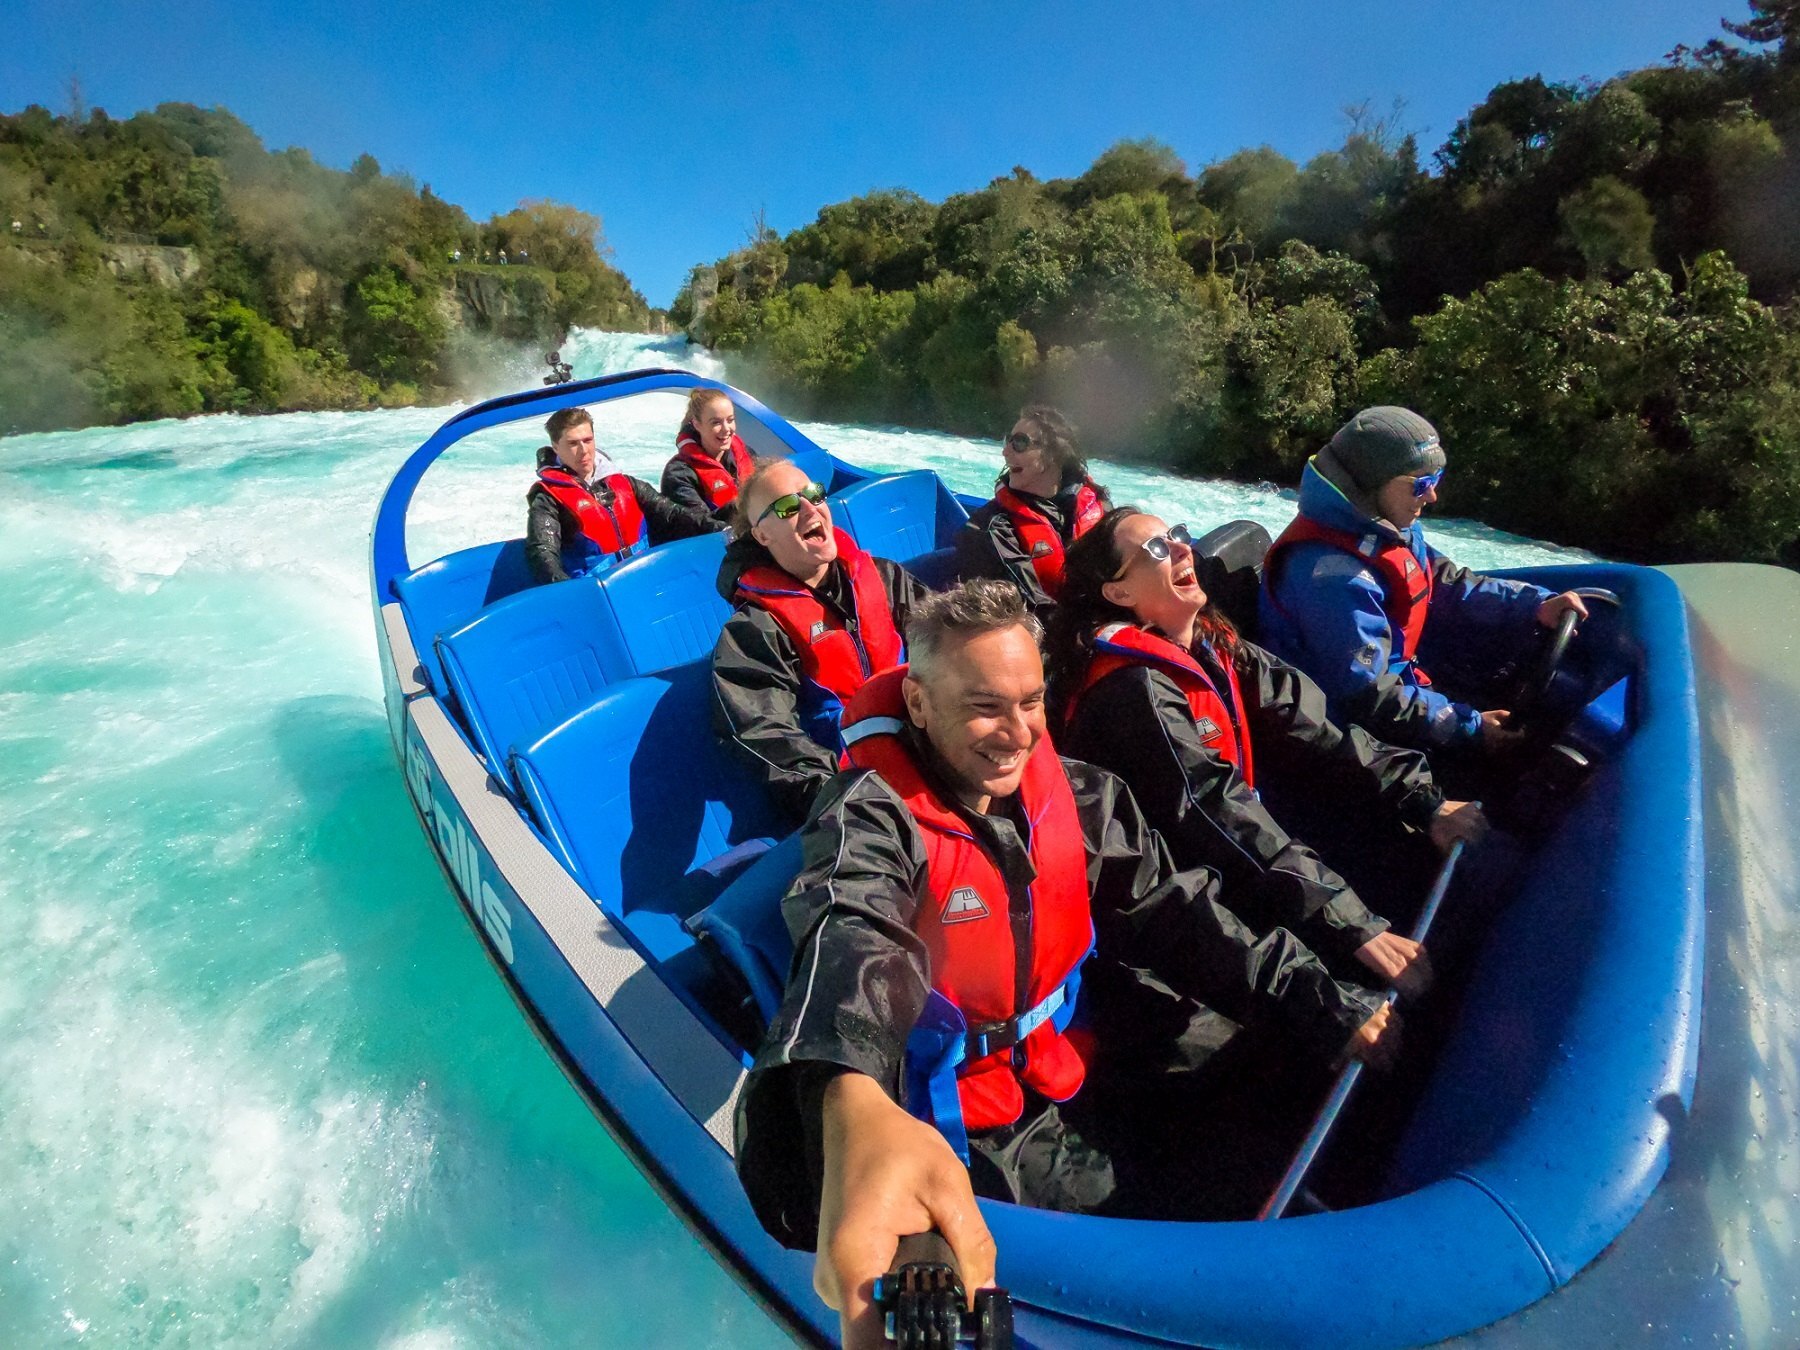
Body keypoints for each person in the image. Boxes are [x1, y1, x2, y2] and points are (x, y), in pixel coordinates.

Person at [734, 580, 1403, 1348]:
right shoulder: (869, 815)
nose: (1017, 732)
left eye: (1031, 702)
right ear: (917, 702)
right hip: (963, 1113)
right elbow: (852, 936)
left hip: (1066, 1048)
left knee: (1282, 1064)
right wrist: (852, 1101)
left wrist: (1319, 998)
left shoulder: (1079, 796)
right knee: (1123, 1257)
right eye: (985, 706)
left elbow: (1179, 912)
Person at [1044, 507, 1490, 996]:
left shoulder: (1213, 644)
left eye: (1176, 535)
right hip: (1182, 907)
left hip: (1236, 860)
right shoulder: (1134, 691)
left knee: (1434, 872)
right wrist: (1353, 926)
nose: (1181, 548)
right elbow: (1215, 810)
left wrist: (1423, 801)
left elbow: (1318, 730)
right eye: (1155, 548)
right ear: (1119, 594)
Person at [1259, 406, 1591, 760]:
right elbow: (1365, 694)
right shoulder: (1333, 576)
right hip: (1342, 737)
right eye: (1421, 484)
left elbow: (1445, 580)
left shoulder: (1386, 526)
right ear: (1372, 482)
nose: (1432, 496)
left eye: (1436, 479)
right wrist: (1469, 726)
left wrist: (1533, 606)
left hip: (1395, 692)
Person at [711, 458, 932, 828]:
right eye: (787, 506)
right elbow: (767, 736)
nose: (810, 508)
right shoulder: (755, 631)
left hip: (931, 751)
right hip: (852, 797)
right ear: (762, 536)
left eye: (813, 494)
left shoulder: (884, 578)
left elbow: (948, 645)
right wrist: (851, 799)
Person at [525, 406, 723, 584]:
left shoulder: (626, 483)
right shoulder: (548, 499)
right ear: (556, 447)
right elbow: (543, 553)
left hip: (646, 575)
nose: (583, 450)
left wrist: (718, 527)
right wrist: (569, 592)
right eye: (573, 444)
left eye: (588, 440)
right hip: (597, 592)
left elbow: (672, 513)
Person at [955, 405, 1112, 620]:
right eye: (1007, 441)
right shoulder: (991, 528)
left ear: (1055, 454)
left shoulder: (1099, 505)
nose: (1005, 451)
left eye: (1019, 442)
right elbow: (1030, 612)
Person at [662, 387, 755, 516]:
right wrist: (746, 505)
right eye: (716, 423)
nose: (726, 429)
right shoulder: (679, 474)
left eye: (730, 420)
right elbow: (698, 522)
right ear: (697, 425)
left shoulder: (748, 454)